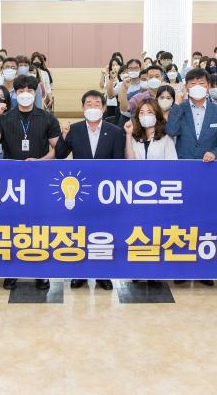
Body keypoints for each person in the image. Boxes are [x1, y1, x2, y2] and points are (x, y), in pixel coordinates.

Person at [0, 74, 61, 291]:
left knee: (39, 227)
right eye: (21, 91)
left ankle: (41, 271)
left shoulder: (47, 118)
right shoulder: (6, 118)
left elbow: (59, 149)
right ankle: (12, 270)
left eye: (29, 91)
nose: (25, 94)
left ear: (35, 93)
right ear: (15, 94)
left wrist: (40, 162)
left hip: (40, 180)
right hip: (13, 182)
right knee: (13, 226)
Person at [166, 68, 217, 287]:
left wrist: (215, 153)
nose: (197, 87)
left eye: (201, 83)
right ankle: (181, 267)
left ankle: (204, 268)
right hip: (183, 172)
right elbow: (171, 131)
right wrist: (177, 104)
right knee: (182, 221)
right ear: (186, 86)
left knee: (205, 220)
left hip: (208, 173)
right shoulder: (180, 108)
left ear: (208, 86)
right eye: (192, 83)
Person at [54, 90, 124, 290]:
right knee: (80, 231)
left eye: (96, 104)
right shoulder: (75, 129)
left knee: (103, 232)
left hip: (104, 191)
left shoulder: (115, 131)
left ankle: (103, 274)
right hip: (80, 192)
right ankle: (80, 273)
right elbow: (60, 155)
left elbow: (118, 163)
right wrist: (63, 135)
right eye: (88, 104)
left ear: (104, 108)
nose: (92, 107)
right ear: (83, 107)